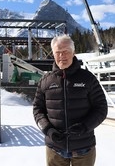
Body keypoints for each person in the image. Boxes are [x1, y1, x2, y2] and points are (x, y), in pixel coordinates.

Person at [33, 34, 108, 166]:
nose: (62, 56)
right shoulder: (45, 81)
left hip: (84, 148)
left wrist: (84, 126)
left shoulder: (88, 79)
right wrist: (48, 130)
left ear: (73, 52)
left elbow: (101, 108)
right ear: (53, 54)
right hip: (54, 149)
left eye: (66, 51)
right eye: (58, 52)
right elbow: (38, 110)